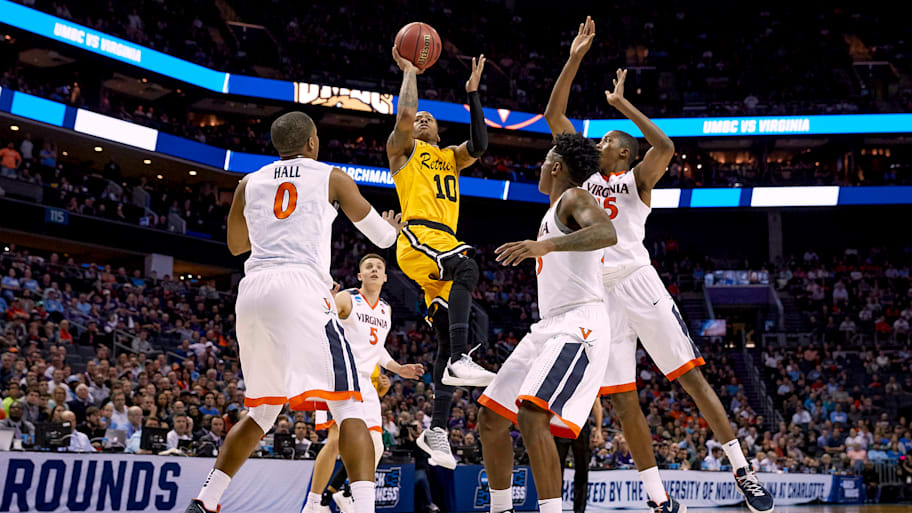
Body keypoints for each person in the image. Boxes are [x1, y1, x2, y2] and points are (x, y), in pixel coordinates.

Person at [543, 17, 773, 513]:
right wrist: (576, 57)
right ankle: (657, 498)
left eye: (608, 140)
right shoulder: (583, 173)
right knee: (625, 399)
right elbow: (553, 114)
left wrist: (623, 106)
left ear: (624, 154)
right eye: (600, 138)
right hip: (597, 294)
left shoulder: (636, 183)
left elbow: (665, 147)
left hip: (638, 281)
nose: (599, 141)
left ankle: (742, 470)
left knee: (691, 378)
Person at [187, 111, 403, 513]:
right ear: (311, 143)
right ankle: (367, 508)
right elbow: (382, 237)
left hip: (252, 292)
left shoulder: (248, 183)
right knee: (351, 404)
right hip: (300, 287)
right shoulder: (331, 176)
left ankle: (207, 499)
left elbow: (236, 245)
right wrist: (390, 225)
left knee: (262, 411)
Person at [478, 133, 616, 513]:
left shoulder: (575, 197)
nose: (539, 166)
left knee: (531, 413)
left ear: (556, 166)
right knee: (490, 417)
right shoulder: (553, 209)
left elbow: (607, 232)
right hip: (549, 325)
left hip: (580, 324)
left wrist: (547, 246)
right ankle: (501, 508)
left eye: (544, 160)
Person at [387, 46, 494, 467]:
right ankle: (459, 361)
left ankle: (436, 433)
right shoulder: (404, 151)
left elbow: (481, 144)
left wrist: (473, 94)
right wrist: (411, 72)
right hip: (419, 237)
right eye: (418, 118)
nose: (422, 119)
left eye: (429, 119)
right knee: (468, 265)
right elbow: (403, 116)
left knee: (467, 328)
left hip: (442, 243)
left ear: (438, 131)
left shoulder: (450, 156)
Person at [303, 253, 425, 513]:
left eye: (378, 267)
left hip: (366, 385)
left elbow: (378, 348)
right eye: (368, 266)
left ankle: (347, 492)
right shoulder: (347, 298)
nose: (373, 269)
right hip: (340, 375)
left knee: (377, 444)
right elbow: (320, 321)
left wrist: (397, 368)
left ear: (384, 277)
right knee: (336, 439)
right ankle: (314, 504)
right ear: (360, 275)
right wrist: (324, 300)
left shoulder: (385, 309)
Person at [556, 399, 603, 513]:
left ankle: (580, 510)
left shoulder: (589, 381)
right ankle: (553, 508)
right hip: (560, 423)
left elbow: (596, 404)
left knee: (582, 470)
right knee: (556, 471)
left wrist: (599, 429)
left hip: (581, 424)